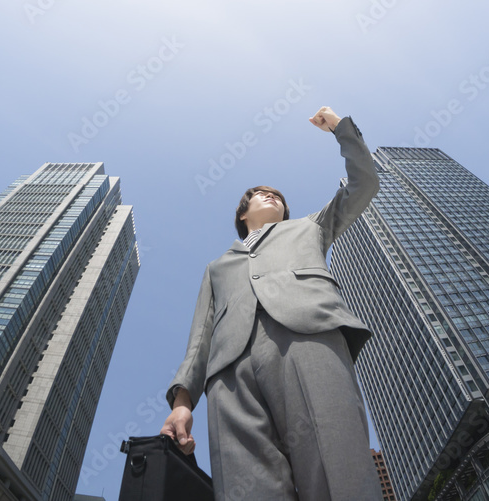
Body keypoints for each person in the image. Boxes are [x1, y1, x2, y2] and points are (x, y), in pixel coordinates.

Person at [161, 107, 382, 500]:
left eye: (278, 196)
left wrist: (340, 129)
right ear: (241, 214)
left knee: (337, 469)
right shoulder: (217, 266)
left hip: (308, 338)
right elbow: (200, 338)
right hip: (229, 372)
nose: (271, 195)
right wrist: (182, 402)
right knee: (245, 489)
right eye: (261, 194)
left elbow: (363, 184)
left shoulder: (311, 226)